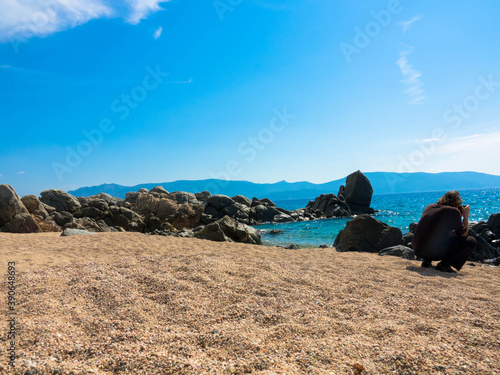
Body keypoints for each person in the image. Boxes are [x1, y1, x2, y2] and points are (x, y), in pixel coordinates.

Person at [412, 190, 477, 273]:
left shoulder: (430, 206)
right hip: (433, 252)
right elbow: (464, 234)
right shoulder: (453, 211)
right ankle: (444, 265)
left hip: (418, 250)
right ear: (457, 204)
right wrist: (466, 216)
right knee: (471, 241)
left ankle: (427, 262)